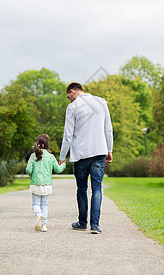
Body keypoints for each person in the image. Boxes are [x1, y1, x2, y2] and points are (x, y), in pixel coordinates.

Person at [59, 82, 113, 234]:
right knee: (97, 188)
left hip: (81, 154)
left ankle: (82, 222)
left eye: (69, 96)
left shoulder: (72, 107)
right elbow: (108, 129)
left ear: (73, 92)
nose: (69, 99)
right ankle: (94, 225)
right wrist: (109, 150)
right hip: (99, 151)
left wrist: (62, 156)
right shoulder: (101, 102)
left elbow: (68, 135)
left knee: (82, 189)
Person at [26, 134, 66, 232]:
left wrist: (31, 175)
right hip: (47, 185)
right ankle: (43, 226)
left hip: (35, 185)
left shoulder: (33, 156)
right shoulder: (51, 157)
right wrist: (64, 164)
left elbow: (28, 170)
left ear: (37, 144)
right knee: (44, 204)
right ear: (47, 145)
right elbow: (58, 169)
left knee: (35, 204)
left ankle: (39, 215)